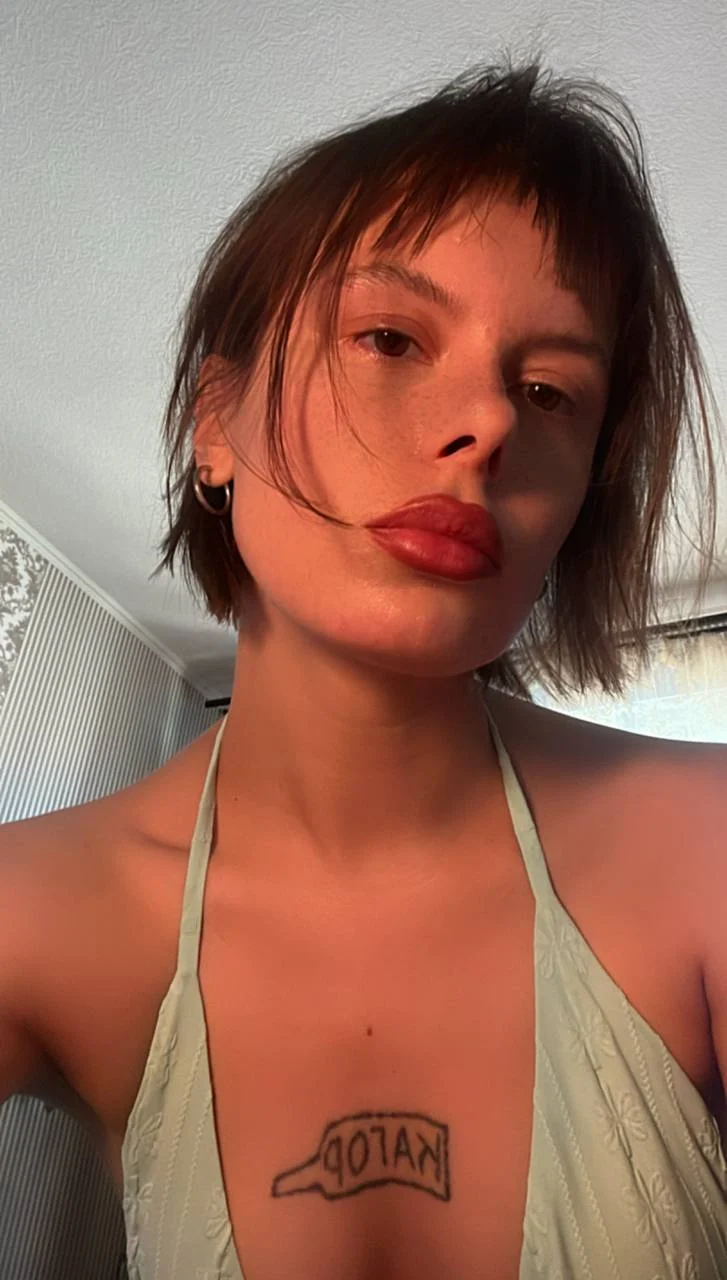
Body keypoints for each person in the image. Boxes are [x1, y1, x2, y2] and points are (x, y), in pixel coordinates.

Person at [1, 54, 726, 1280]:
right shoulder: (38, 911)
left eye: (550, 390)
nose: (489, 422)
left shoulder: (706, 845)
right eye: (389, 336)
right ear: (215, 422)